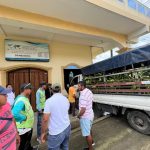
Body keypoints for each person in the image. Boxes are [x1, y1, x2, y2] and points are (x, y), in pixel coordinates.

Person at [41, 83, 71, 150]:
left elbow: (45, 119)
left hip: (56, 132)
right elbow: (66, 111)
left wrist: (43, 133)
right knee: (65, 147)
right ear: (60, 90)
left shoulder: (49, 101)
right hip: (67, 127)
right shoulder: (65, 99)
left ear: (52, 90)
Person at [12, 83, 35, 150]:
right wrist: (24, 118)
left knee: (26, 145)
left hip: (26, 127)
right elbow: (14, 113)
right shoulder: (21, 100)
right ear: (25, 89)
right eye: (30, 89)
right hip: (23, 128)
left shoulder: (23, 98)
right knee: (23, 146)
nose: (31, 90)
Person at [0, 85, 20, 150]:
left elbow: (12, 118)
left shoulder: (7, 105)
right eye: (4, 94)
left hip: (13, 144)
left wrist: (16, 133)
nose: (7, 96)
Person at [77, 81, 95, 150]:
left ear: (82, 86)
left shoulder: (83, 95)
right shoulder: (89, 91)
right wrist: (89, 109)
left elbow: (83, 110)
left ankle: (90, 148)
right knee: (89, 130)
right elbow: (92, 102)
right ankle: (92, 142)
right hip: (90, 114)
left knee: (87, 134)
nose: (78, 87)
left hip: (85, 117)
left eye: (79, 86)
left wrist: (78, 116)